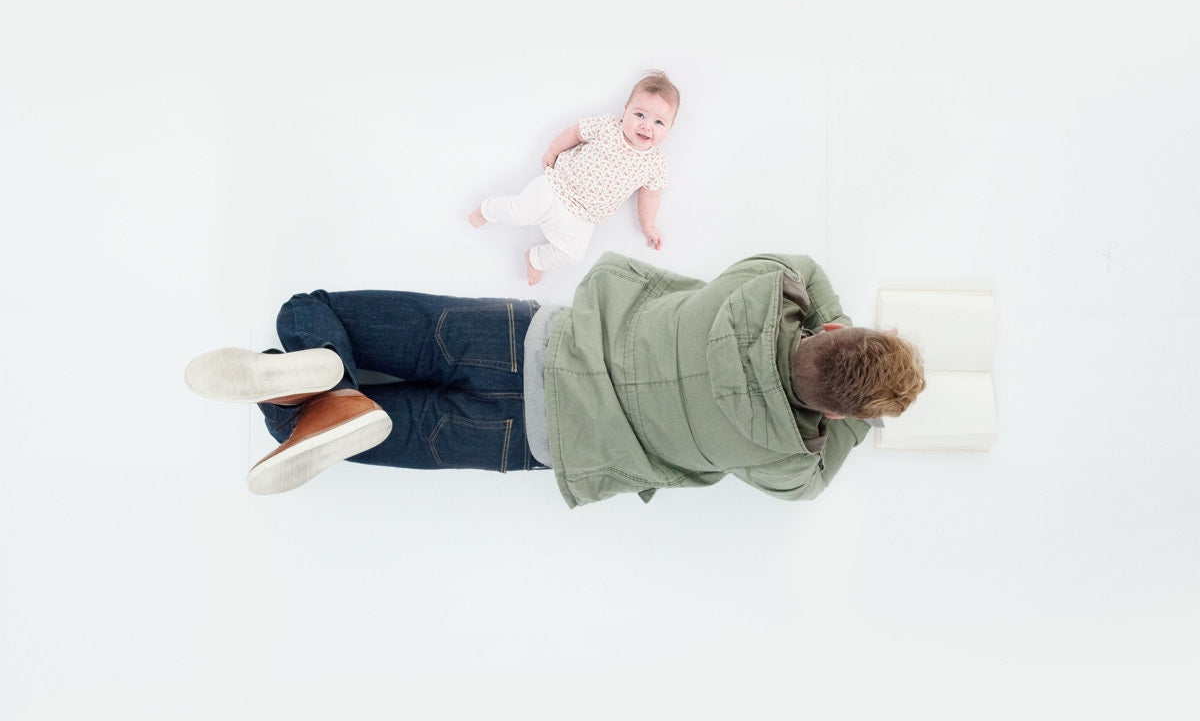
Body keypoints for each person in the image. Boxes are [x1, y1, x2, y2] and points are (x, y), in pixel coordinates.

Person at [185, 252, 925, 508]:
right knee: (287, 430)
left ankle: (327, 370)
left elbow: (811, 273)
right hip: (529, 441)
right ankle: (327, 405)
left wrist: (843, 336)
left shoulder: (762, 289)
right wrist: (859, 409)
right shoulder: (792, 460)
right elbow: (821, 473)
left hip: (519, 343)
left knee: (305, 311)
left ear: (830, 328)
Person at [468, 71, 679, 285]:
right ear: (625, 111)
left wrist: (649, 226)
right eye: (640, 115)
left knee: (573, 256)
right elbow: (576, 133)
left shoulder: (655, 164)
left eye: (659, 122)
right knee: (520, 212)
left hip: (583, 217)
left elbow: (650, 197)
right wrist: (552, 151)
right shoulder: (608, 127)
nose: (646, 126)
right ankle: (488, 209)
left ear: (670, 128)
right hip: (557, 187)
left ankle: (536, 258)